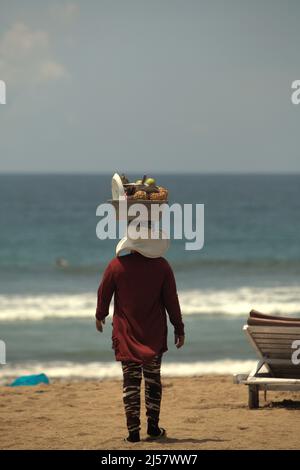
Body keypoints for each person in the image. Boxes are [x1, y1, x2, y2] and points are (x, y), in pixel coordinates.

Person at [95, 226, 185, 443]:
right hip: (154, 332)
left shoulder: (116, 266)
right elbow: (171, 301)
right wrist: (178, 328)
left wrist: (100, 316)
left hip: (125, 333)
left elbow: (103, 294)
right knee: (153, 380)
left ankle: (133, 433)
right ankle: (153, 429)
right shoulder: (162, 267)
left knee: (130, 381)